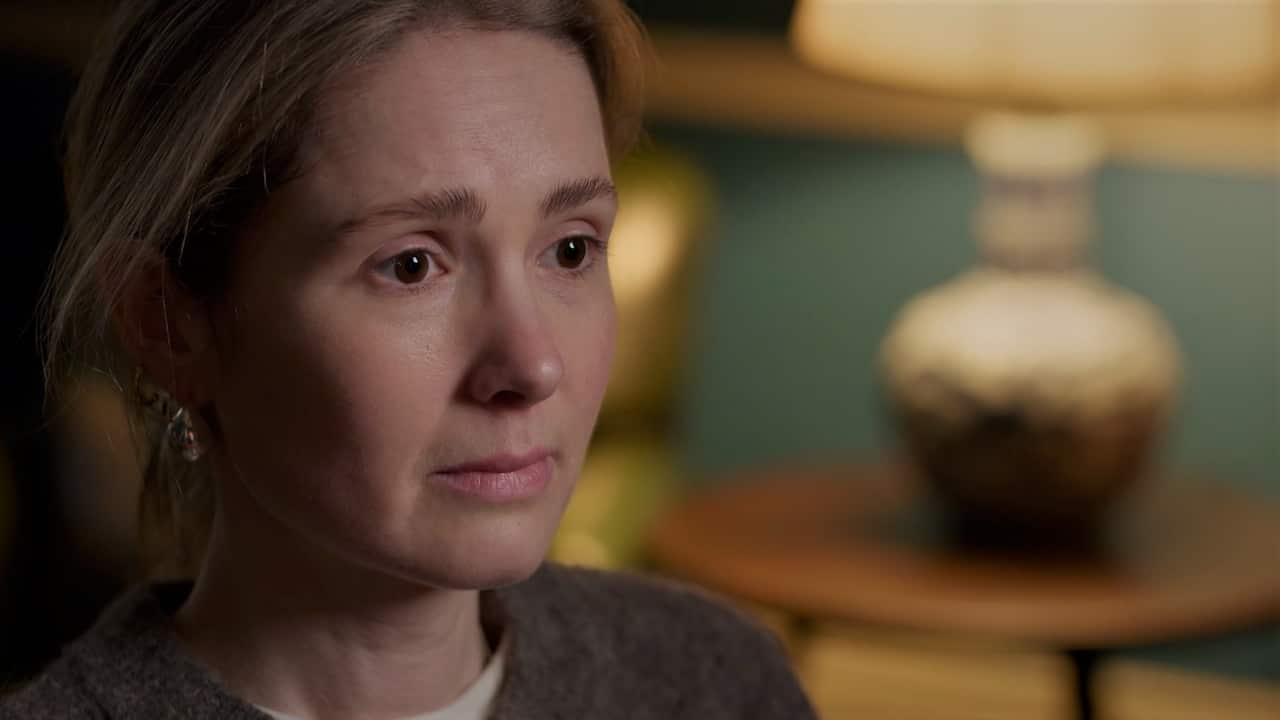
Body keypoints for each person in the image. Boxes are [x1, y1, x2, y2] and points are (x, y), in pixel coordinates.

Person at [0, 1, 816, 718]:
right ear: (168, 323)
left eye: (570, 249)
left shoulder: (712, 685)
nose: (532, 367)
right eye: (412, 265)